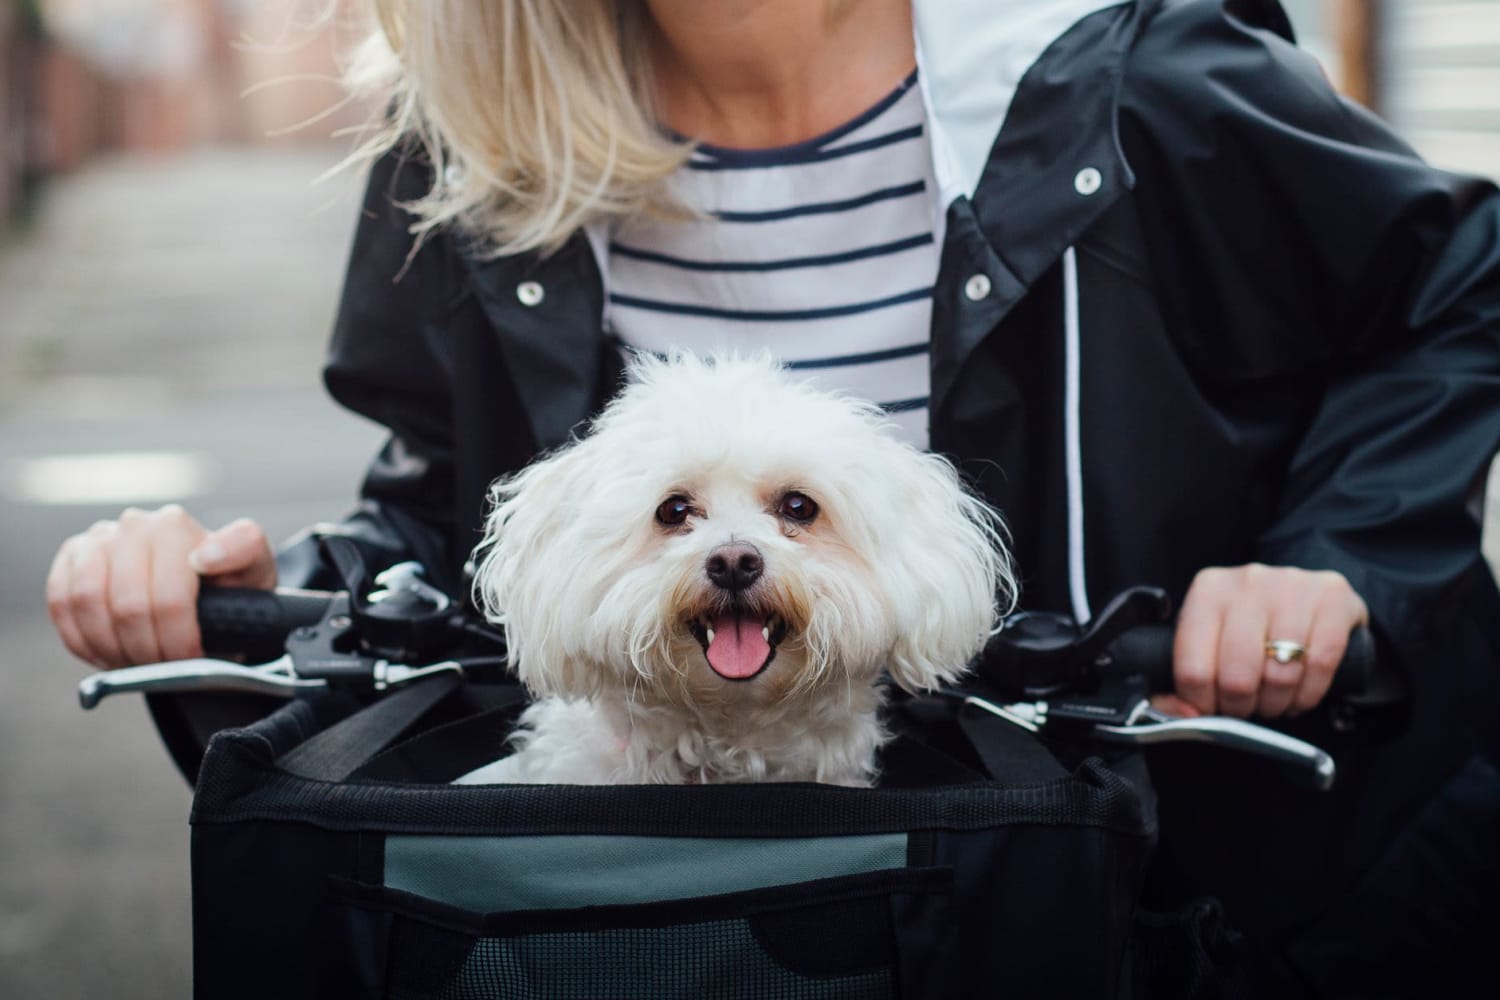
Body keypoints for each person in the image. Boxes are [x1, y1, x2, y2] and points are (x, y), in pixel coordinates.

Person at [45, 0, 1500, 994]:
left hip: (1195, 879)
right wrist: (227, 585)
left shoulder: (1116, 73)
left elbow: (1456, 286)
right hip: (734, 905)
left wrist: (1336, 562)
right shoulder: (480, 144)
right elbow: (448, 509)